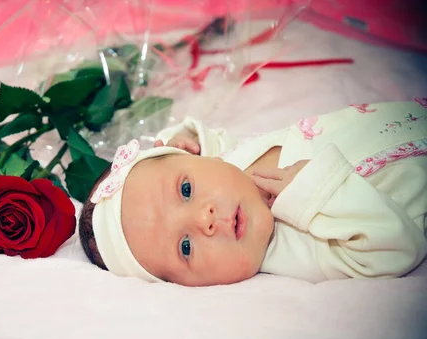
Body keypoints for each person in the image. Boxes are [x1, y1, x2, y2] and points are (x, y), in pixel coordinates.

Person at [78, 100, 427, 286]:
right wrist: (317, 194)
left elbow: (211, 145)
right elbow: (398, 249)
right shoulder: (297, 249)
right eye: (186, 247)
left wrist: (186, 137)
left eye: (186, 190)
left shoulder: (231, 162)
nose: (205, 219)